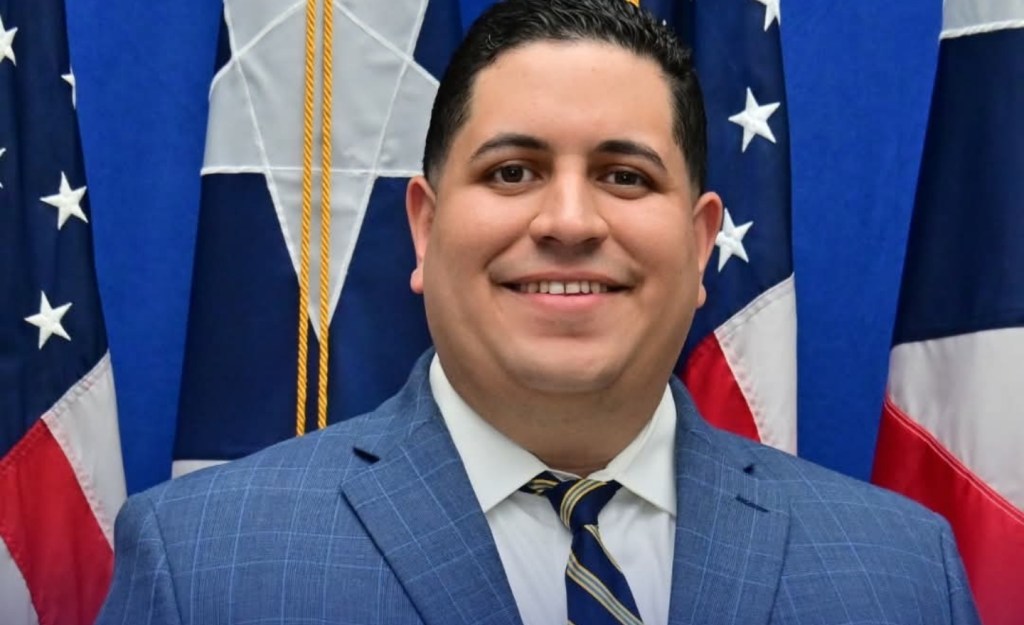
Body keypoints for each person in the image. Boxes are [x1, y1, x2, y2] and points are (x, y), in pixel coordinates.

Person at [97, 0, 980, 623]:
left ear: (701, 242)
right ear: (425, 228)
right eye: (512, 171)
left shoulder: (900, 576)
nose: (567, 221)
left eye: (624, 176)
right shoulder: (205, 567)